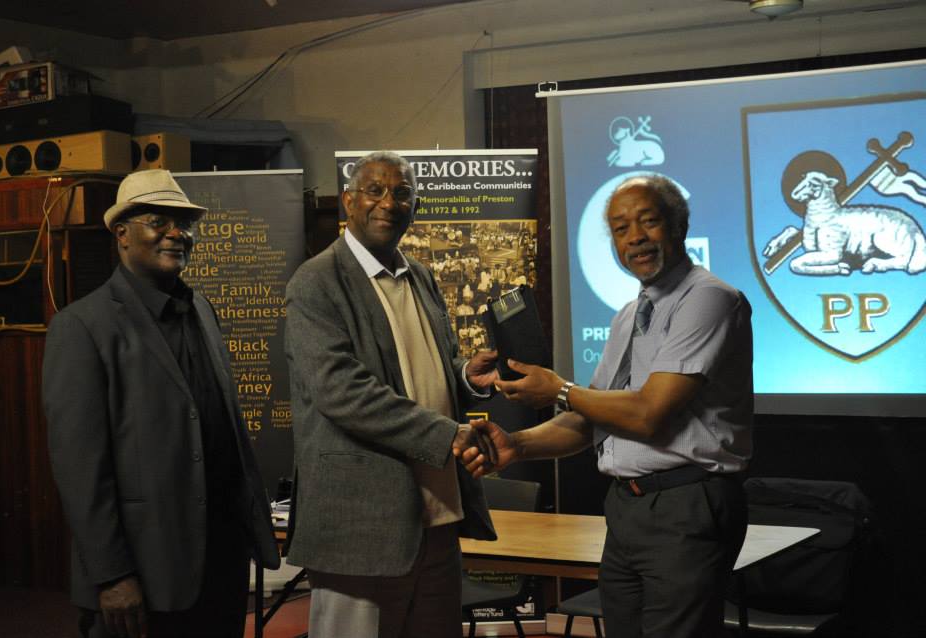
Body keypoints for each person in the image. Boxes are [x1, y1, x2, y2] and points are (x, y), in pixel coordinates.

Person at [460, 174, 753, 638]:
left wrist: (559, 390)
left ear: (678, 226)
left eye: (648, 221)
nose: (634, 237)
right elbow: (588, 418)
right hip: (625, 508)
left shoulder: (709, 299)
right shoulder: (627, 316)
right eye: (620, 229)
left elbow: (649, 413)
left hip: (685, 505)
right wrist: (517, 444)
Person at [43, 169, 280, 638]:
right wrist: (112, 575)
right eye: (158, 221)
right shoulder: (81, 327)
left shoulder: (202, 310)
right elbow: (80, 469)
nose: (177, 233)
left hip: (221, 560)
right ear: (122, 234)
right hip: (144, 573)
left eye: (184, 223)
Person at [283, 151, 499, 638]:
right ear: (348, 202)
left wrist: (465, 377)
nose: (388, 203)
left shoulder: (419, 275)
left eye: (402, 193)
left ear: (415, 205)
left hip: (437, 516)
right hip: (362, 527)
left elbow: (424, 370)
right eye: (375, 191)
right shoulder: (316, 282)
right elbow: (343, 393)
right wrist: (448, 435)